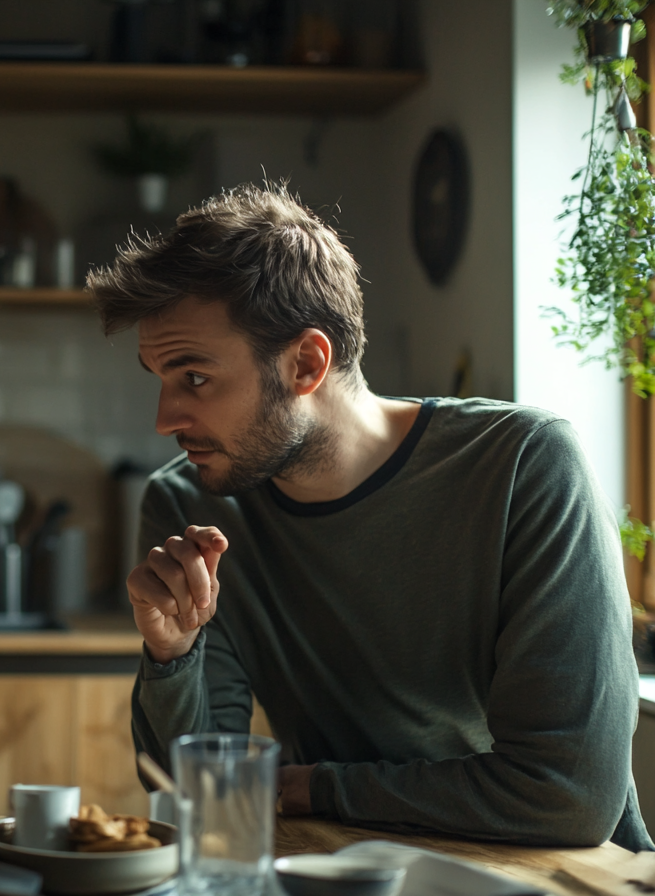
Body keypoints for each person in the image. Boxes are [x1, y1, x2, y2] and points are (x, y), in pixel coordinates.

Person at [86, 182, 654, 851]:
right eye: (160, 379)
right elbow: (197, 797)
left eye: (196, 378)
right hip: (342, 868)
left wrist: (311, 788)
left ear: (306, 363)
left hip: (553, 875)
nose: (164, 420)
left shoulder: (525, 466)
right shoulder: (188, 504)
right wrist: (171, 655)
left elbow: (569, 797)